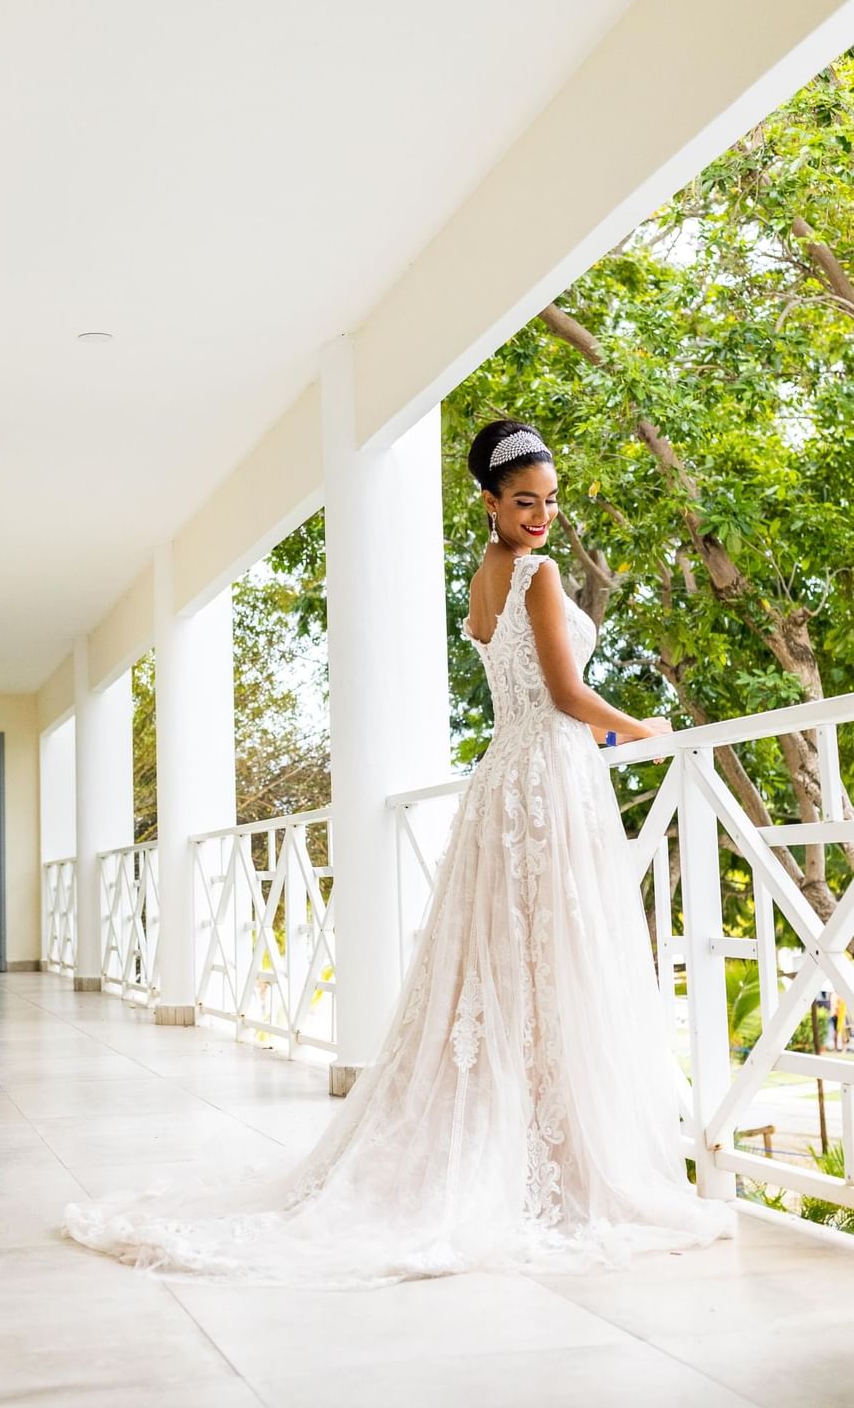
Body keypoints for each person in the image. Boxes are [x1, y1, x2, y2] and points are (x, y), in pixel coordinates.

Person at [63, 419, 737, 1288]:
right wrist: (644, 728)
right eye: (524, 500)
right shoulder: (537, 572)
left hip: (506, 778)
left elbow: (525, 686)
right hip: (547, 779)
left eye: (550, 500)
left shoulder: (482, 576)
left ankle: (536, 1143)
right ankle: (559, 1157)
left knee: (514, 963)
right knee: (553, 957)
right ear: (490, 500)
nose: (540, 514)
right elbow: (566, 693)